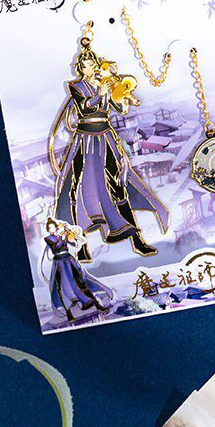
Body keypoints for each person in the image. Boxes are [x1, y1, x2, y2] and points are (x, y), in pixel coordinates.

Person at [50, 38, 169, 262]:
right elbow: (85, 106)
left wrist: (121, 95)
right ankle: (81, 246)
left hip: (106, 138)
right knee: (78, 189)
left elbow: (119, 109)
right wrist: (101, 93)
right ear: (80, 68)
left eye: (92, 64)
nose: (90, 68)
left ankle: (137, 241)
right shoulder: (75, 86)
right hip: (85, 141)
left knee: (119, 185)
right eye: (85, 65)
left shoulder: (103, 83)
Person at [40, 216, 113, 322]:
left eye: (53, 227)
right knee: (63, 288)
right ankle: (69, 315)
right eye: (50, 228)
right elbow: (56, 247)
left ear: (56, 227)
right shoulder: (48, 238)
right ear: (48, 229)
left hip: (69, 260)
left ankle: (98, 306)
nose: (52, 229)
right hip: (60, 264)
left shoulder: (61, 235)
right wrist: (63, 237)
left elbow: (73, 244)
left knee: (82, 282)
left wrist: (70, 235)